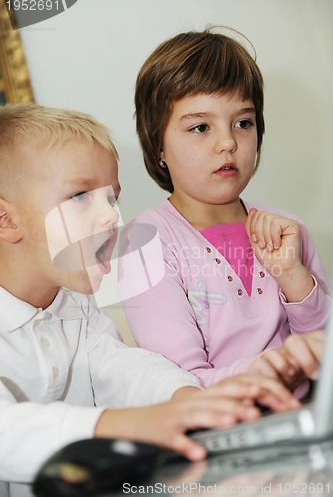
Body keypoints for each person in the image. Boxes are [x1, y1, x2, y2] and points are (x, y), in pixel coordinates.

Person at [0, 103, 301, 491]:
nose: (111, 216)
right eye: (80, 196)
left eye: (112, 198)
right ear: (7, 220)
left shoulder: (77, 311)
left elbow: (127, 368)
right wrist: (124, 424)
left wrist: (187, 400)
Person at [120, 28, 331, 390]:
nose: (228, 142)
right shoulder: (145, 244)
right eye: (200, 126)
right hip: (219, 434)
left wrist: (294, 277)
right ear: (158, 146)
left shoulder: (289, 231)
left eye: (243, 123)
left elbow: (325, 352)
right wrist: (276, 368)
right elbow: (180, 384)